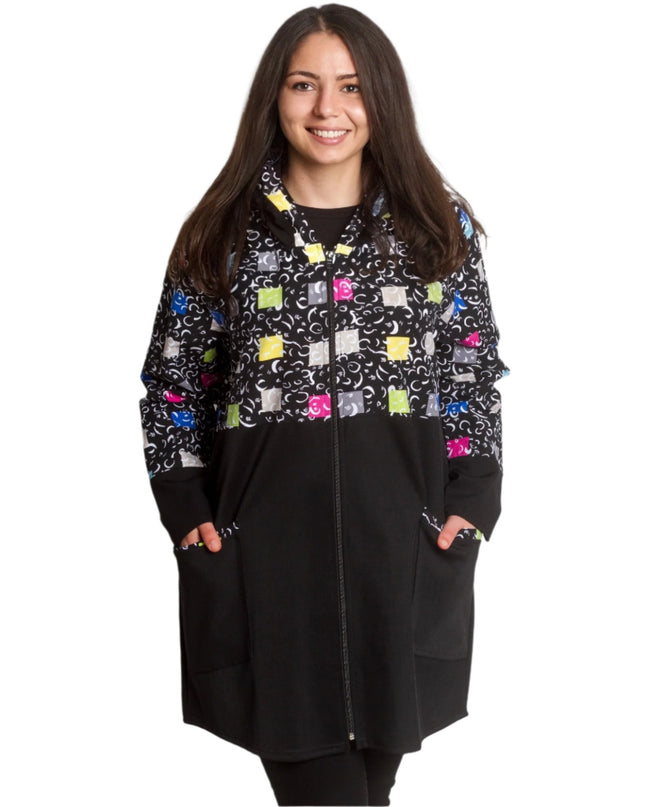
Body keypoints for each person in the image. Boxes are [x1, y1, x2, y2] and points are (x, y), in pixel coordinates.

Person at [139, 4, 508, 805]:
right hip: (266, 572)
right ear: (273, 97)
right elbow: (171, 385)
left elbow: (471, 373)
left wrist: (474, 501)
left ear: (381, 98)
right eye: (303, 84)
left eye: (350, 86)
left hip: (401, 560)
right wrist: (186, 507)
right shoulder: (221, 232)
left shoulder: (433, 228)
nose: (326, 109)